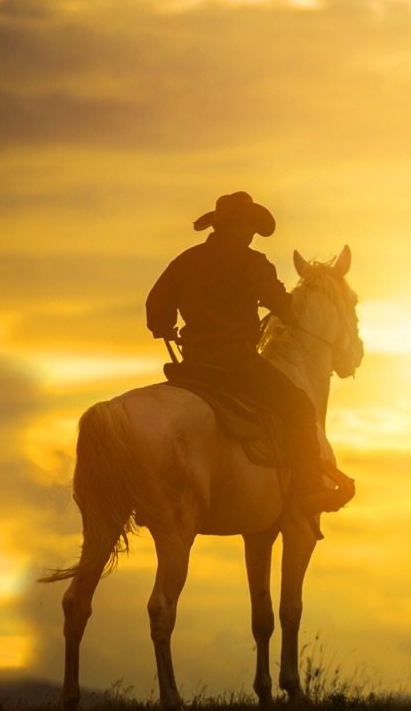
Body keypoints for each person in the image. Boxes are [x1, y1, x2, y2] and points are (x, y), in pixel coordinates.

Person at [145, 191, 348, 535]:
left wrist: (166, 328)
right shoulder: (252, 262)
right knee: (299, 406)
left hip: (192, 365)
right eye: (251, 225)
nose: (253, 233)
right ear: (239, 224)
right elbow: (280, 304)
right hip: (237, 365)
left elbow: (155, 309)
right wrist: (286, 307)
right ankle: (309, 489)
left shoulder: (186, 260)